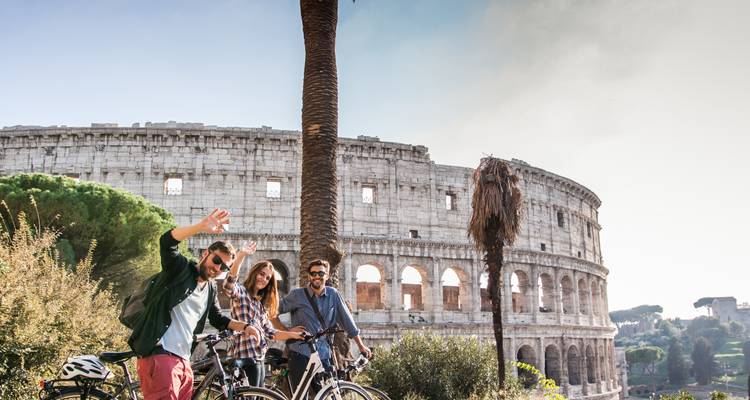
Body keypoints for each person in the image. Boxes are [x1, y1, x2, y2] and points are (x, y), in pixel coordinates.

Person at [128, 209, 266, 400]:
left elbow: (218, 318)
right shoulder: (180, 270)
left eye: (224, 267)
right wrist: (201, 226)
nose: (217, 268)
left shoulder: (210, 289)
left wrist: (247, 327)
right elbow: (166, 242)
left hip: (184, 360)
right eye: (216, 260)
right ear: (205, 254)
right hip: (160, 354)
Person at [272, 259, 372, 395]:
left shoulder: (333, 295)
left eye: (320, 273)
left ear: (327, 275)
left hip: (324, 354)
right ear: (309, 276)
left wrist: (361, 346)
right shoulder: (297, 295)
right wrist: (287, 331)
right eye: (313, 273)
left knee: (327, 394)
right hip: (300, 352)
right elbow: (272, 312)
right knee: (301, 395)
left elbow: (348, 322)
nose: (316, 276)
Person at [222, 241, 305, 387]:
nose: (264, 279)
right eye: (262, 274)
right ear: (254, 272)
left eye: (268, 278)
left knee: (258, 396)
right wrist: (241, 255)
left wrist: (292, 334)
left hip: (259, 358)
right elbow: (229, 284)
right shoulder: (240, 292)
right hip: (244, 357)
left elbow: (270, 332)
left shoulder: (259, 305)